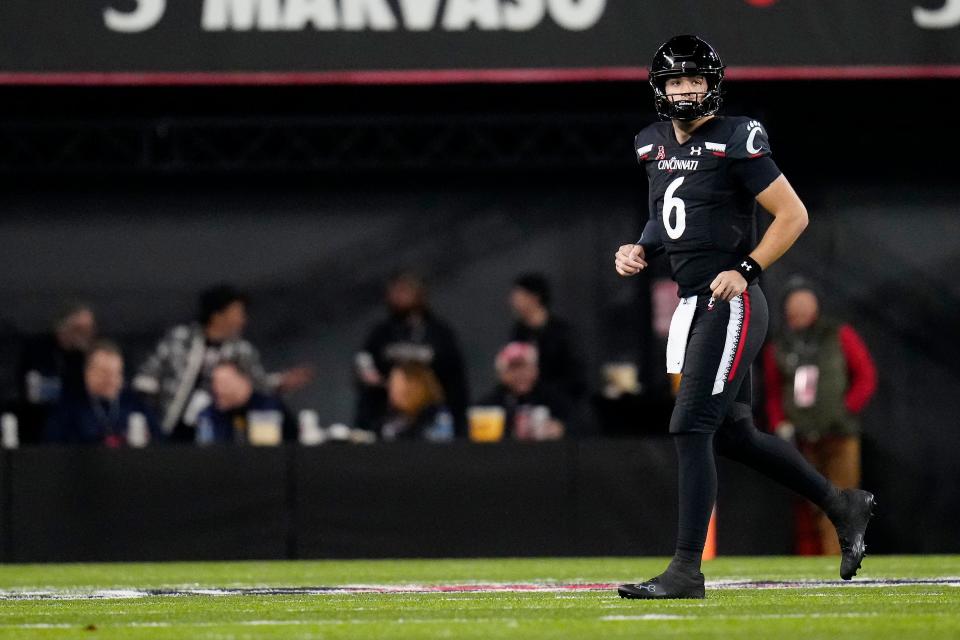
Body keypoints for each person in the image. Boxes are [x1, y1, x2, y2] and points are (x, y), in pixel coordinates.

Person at [613, 35, 874, 599]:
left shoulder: (736, 136)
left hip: (728, 298)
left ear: (712, 86)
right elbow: (669, 215)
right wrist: (638, 247)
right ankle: (841, 502)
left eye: (694, 81)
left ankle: (686, 569)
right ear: (660, 89)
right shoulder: (651, 143)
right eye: (675, 81)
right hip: (695, 301)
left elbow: (793, 214)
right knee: (733, 434)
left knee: (690, 425)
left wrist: (749, 268)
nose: (685, 91)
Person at [764, 279, 877, 555]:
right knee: (806, 505)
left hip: (838, 435)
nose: (800, 309)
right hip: (801, 440)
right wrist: (781, 425)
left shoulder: (839, 334)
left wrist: (844, 409)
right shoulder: (779, 345)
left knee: (841, 500)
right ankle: (810, 562)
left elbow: (866, 376)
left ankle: (839, 557)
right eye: (794, 304)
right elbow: (773, 391)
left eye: (805, 302)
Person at [133, 284, 312, 440]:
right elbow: (147, 377)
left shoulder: (241, 350)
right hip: (167, 427)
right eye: (237, 312)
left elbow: (257, 385)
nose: (242, 319)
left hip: (213, 432)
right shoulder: (180, 339)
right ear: (217, 314)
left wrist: (282, 382)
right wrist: (146, 413)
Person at [354, 271, 468, 434]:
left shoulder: (439, 332)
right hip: (387, 417)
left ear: (419, 293)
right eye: (394, 291)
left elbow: (455, 379)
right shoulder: (382, 333)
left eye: (404, 290)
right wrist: (375, 379)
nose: (398, 296)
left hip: (433, 418)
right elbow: (363, 363)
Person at [45, 340, 159, 446]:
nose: (112, 380)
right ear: (88, 373)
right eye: (104, 373)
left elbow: (161, 442)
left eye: (117, 373)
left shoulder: (134, 404)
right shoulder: (68, 407)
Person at [16, 303, 97, 442]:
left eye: (90, 329)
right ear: (63, 328)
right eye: (80, 329)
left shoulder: (89, 355)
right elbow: (29, 387)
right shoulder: (38, 348)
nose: (86, 335)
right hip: (40, 415)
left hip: (80, 417)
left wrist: (89, 356)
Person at [509, 274, 587, 402]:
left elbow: (576, 379)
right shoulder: (519, 332)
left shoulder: (563, 333)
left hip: (560, 403)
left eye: (519, 296)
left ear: (534, 298)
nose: (513, 301)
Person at [478, 342, 569, 440]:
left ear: (535, 370)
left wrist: (561, 429)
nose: (520, 375)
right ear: (501, 375)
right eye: (513, 369)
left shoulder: (552, 397)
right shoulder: (489, 404)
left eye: (525, 367)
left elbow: (580, 424)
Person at [194, 361, 295, 444]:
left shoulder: (269, 407)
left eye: (225, 383)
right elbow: (207, 453)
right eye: (215, 383)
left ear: (244, 381)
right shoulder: (209, 414)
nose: (218, 390)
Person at [379, 361, 454, 442]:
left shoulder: (437, 415)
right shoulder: (392, 416)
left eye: (394, 382)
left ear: (413, 386)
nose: (390, 388)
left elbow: (438, 447)